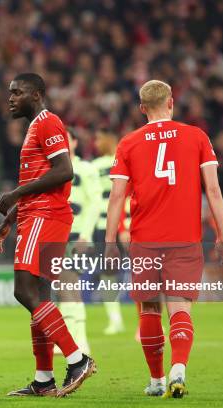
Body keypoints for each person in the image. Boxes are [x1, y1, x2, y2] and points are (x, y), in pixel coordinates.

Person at [105, 80, 223, 398]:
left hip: (145, 239)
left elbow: (117, 196)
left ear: (142, 108)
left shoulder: (129, 143)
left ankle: (157, 380)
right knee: (180, 309)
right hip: (185, 239)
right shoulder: (197, 136)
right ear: (172, 102)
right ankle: (179, 368)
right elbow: (213, 189)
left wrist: (108, 241)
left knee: (149, 310)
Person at [0, 73, 96, 398]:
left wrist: (14, 193)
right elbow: (42, 178)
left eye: (17, 92)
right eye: (9, 92)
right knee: (41, 296)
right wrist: (10, 219)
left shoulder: (48, 123)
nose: (10, 98)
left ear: (35, 94)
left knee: (24, 291)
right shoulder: (34, 127)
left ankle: (77, 359)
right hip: (37, 215)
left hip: (45, 217)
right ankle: (43, 379)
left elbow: (65, 170)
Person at [55, 129, 102, 356]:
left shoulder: (86, 169)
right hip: (56, 235)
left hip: (77, 236)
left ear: (74, 142)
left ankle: (78, 342)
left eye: (67, 138)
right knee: (64, 287)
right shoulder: (53, 168)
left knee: (68, 285)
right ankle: (72, 339)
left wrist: (85, 234)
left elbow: (95, 203)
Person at [91, 129, 127, 335]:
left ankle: (116, 319)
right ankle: (117, 319)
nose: (95, 143)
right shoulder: (121, 161)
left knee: (108, 275)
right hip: (123, 226)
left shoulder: (94, 167)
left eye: (98, 139)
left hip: (105, 228)